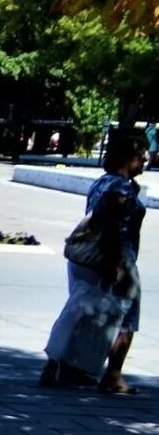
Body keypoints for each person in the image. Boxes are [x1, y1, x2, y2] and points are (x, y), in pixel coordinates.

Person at [43, 124, 146, 393]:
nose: (146, 158)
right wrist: (113, 264)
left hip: (87, 258)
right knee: (126, 317)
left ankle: (55, 366)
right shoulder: (120, 190)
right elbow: (110, 225)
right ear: (128, 157)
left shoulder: (103, 182)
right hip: (115, 258)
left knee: (80, 311)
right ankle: (113, 376)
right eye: (141, 153)